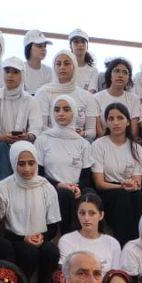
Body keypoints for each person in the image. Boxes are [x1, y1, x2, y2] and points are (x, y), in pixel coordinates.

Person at [91, 102, 142, 244]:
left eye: (120, 118)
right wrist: (121, 186)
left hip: (129, 190)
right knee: (123, 196)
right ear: (107, 123)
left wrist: (132, 185)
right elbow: (99, 183)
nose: (115, 122)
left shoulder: (136, 148)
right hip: (108, 191)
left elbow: (137, 182)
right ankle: (126, 243)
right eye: (111, 119)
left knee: (138, 196)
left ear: (128, 122)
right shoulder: (98, 145)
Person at [0, 142, 60, 283]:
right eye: (21, 164)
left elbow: (53, 226)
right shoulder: (2, 188)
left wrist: (42, 237)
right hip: (13, 239)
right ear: (13, 163)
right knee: (28, 252)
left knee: (51, 251)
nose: (27, 169)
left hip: (39, 238)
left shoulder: (46, 187)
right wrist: (23, 238)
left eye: (31, 163)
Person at [35, 95, 94, 233]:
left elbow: (86, 177)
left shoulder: (83, 143)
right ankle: (68, 236)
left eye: (66, 109)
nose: (60, 113)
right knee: (64, 194)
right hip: (50, 187)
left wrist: (78, 188)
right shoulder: (43, 139)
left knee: (90, 196)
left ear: (74, 112)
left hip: (75, 188)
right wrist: (58, 184)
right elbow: (38, 174)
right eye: (56, 109)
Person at [0, 57, 43, 182]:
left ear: (22, 75)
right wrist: (3, 137)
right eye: (7, 71)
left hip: (24, 143)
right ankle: (2, 187)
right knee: (2, 146)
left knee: (24, 147)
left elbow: (36, 128)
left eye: (15, 72)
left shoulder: (31, 100)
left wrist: (27, 136)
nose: (10, 75)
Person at [34, 51, 101, 141]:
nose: (62, 67)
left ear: (74, 67)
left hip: (78, 142)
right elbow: (41, 127)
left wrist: (83, 133)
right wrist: (65, 134)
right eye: (58, 64)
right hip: (51, 142)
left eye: (66, 63)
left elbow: (92, 132)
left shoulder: (87, 96)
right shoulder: (43, 92)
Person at [58, 192, 121, 274]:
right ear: (77, 214)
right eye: (82, 213)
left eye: (92, 213)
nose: (86, 218)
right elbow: (67, 274)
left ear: (101, 215)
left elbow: (115, 276)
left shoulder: (112, 243)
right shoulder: (67, 240)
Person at [94, 57, 141, 137]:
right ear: (110, 75)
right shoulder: (96, 98)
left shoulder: (134, 99)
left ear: (128, 78)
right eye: (117, 71)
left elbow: (133, 132)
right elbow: (99, 132)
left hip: (127, 141)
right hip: (103, 141)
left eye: (125, 72)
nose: (120, 75)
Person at [68, 29, 99, 93]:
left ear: (87, 46)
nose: (80, 45)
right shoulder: (65, 68)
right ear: (70, 46)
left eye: (83, 42)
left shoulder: (93, 71)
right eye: (76, 42)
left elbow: (91, 93)